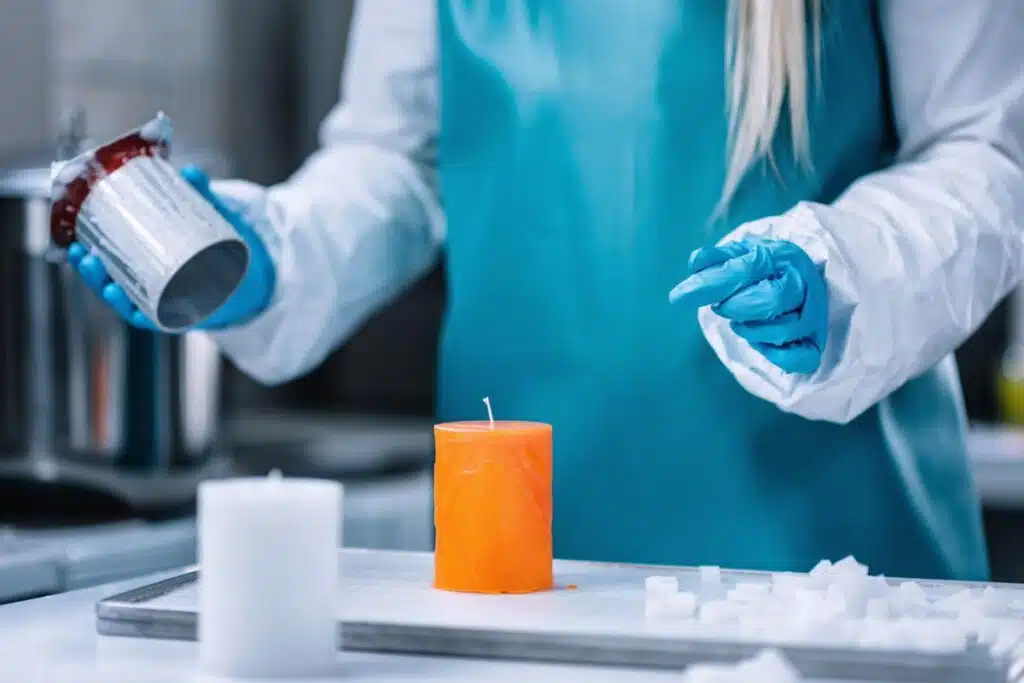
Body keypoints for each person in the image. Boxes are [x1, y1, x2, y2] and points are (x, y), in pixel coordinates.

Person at [69, 0, 1024, 581]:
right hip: (522, 559)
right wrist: (273, 258)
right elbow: (398, 159)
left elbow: (985, 148)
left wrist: (851, 270)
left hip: (834, 560)